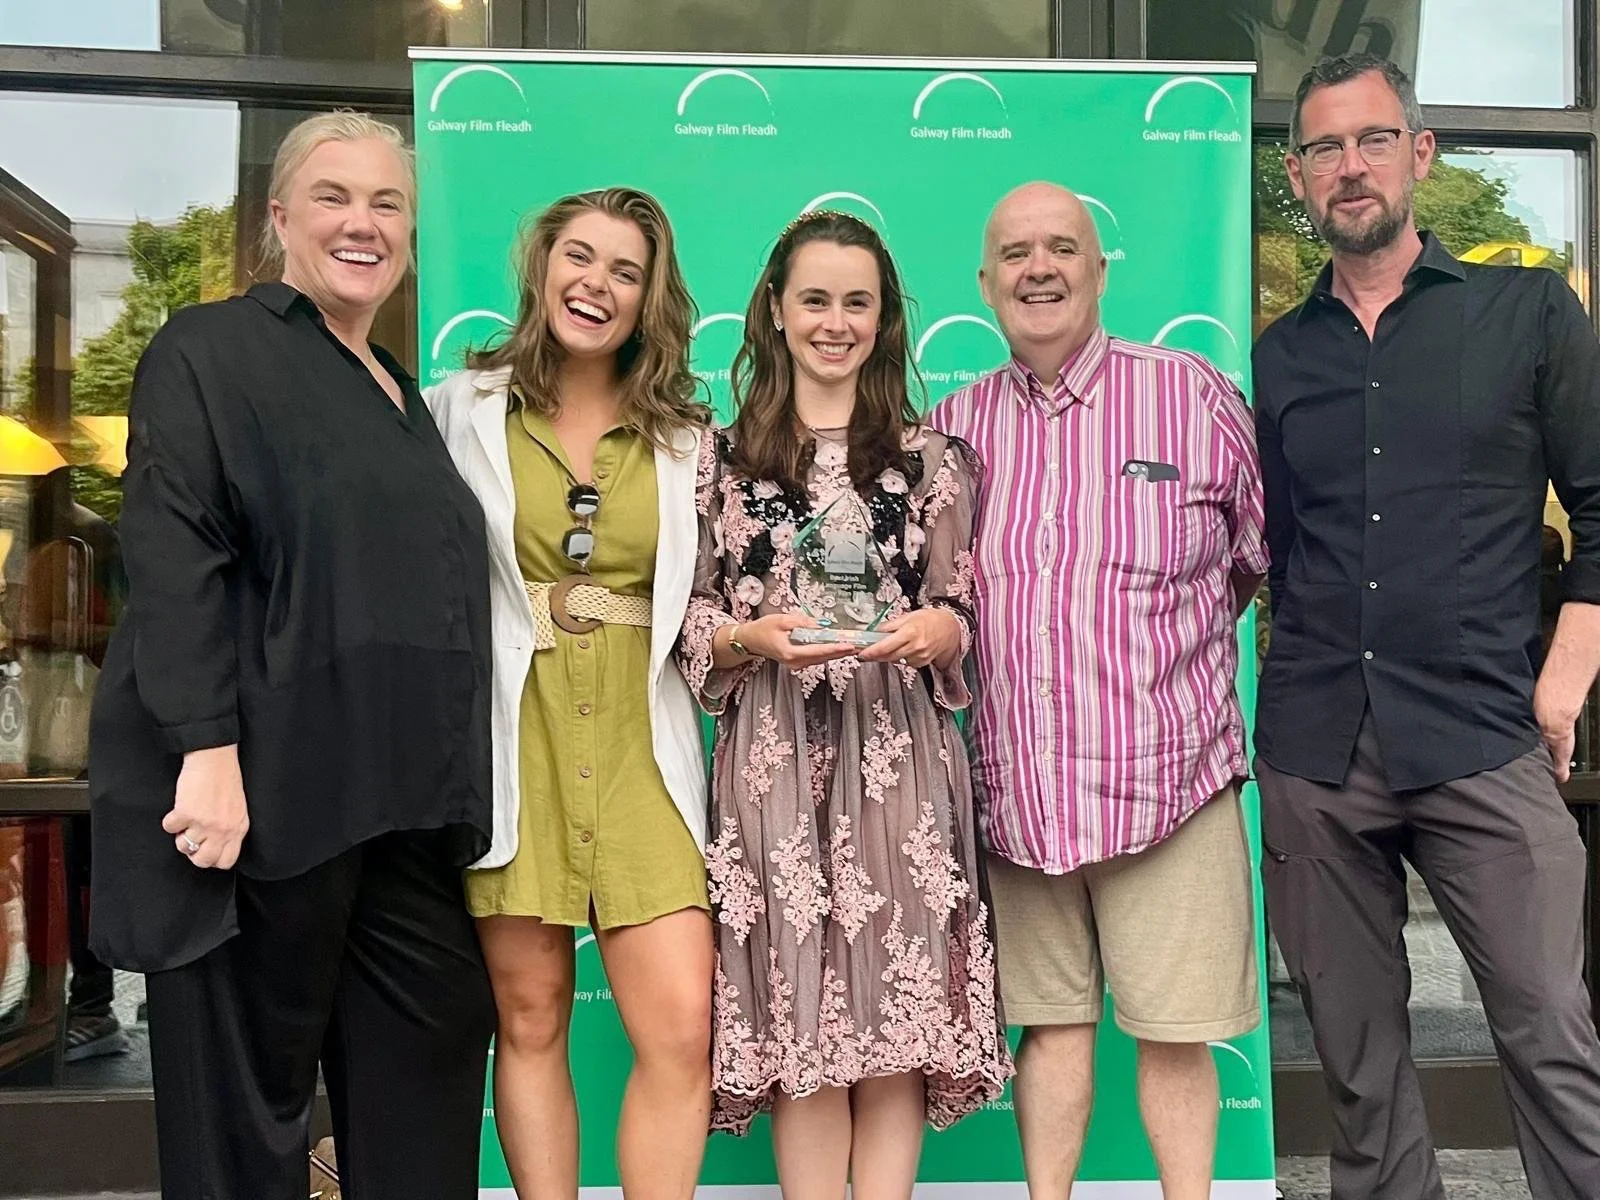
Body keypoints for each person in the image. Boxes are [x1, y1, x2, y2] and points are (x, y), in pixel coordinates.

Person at [86, 112, 495, 1200]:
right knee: (243, 1116)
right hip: (260, 794)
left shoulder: (404, 392)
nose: (361, 223)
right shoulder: (209, 347)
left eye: (386, 203)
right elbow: (175, 554)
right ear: (277, 219)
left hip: (401, 807)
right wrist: (203, 749)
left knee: (430, 1063)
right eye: (332, 196)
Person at [1252, 53, 1600, 1200]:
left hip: (1482, 734)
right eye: (1322, 149)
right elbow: (1282, 547)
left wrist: (1560, 686)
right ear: (1298, 175)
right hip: (1316, 749)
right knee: (1356, 1072)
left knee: (1550, 1032)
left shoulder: (1527, 310)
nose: (1347, 167)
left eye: (1369, 140)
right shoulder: (1279, 356)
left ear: (1417, 153)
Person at [933, 181, 1267, 1200]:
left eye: (1062, 248)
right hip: (1017, 796)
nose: (1040, 268)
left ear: (1097, 266)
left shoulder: (1193, 394)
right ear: (985, 281)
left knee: (1177, 1036)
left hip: (1170, 784)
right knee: (1053, 1025)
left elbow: (1250, 562)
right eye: (1016, 252)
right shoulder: (949, 426)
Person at [679, 209, 1010, 1198]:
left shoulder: (931, 460)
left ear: (885, 318)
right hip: (771, 756)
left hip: (897, 752)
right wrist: (747, 636)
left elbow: (960, 607)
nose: (834, 320)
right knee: (805, 1024)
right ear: (775, 310)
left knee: (895, 1014)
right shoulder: (719, 458)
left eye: (855, 302)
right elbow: (689, 615)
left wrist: (940, 631)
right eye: (814, 298)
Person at [426, 187, 714, 1200]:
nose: (597, 283)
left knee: (681, 1028)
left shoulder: (686, 433)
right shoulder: (457, 408)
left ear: (649, 299)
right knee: (532, 1011)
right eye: (580, 258)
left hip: (643, 739)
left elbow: (721, 591)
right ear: (542, 267)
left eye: (626, 271)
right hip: (517, 735)